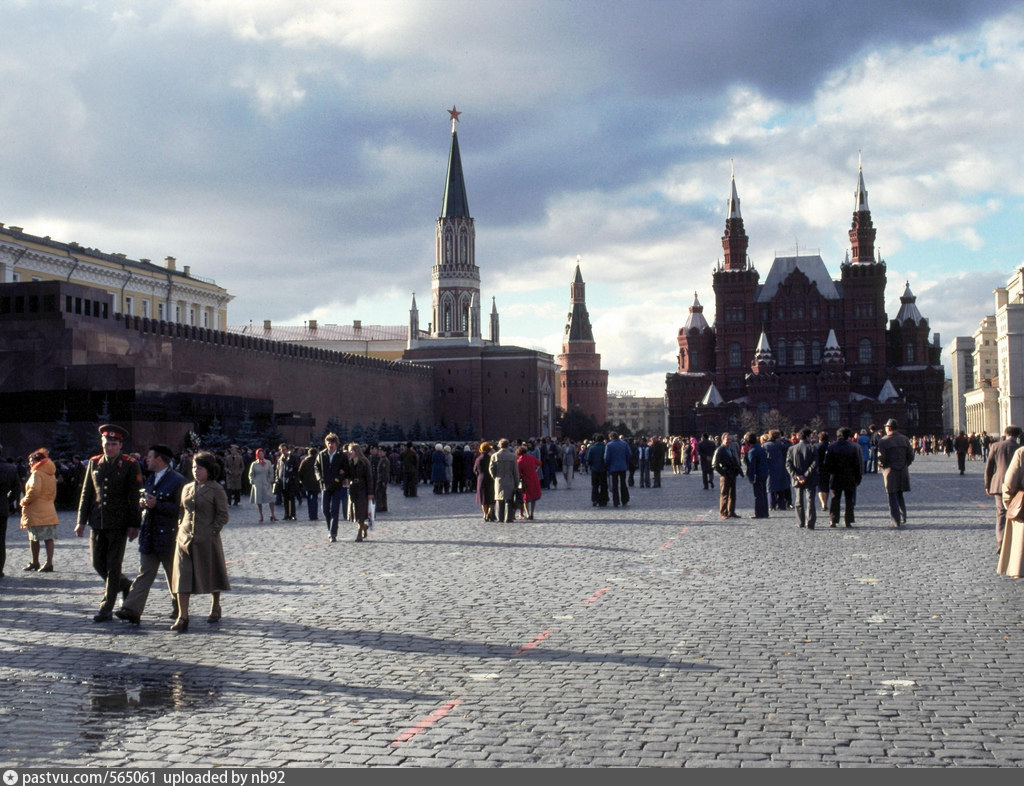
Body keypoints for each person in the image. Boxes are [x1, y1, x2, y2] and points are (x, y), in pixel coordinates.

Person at [75, 424, 142, 623]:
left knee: (113, 566)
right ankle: (125, 585)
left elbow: (134, 496)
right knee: (97, 563)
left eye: (113, 444)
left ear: (120, 445)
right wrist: (81, 521)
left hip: (119, 523)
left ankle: (106, 607)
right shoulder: (94, 463)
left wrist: (134, 524)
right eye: (106, 444)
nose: (109, 448)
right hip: (98, 521)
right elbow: (87, 493)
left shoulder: (130, 464)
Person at [116, 444, 186, 625]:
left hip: (169, 536)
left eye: (150, 456)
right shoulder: (149, 478)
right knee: (145, 572)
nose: (146, 459)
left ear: (160, 459)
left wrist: (158, 505)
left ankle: (180, 608)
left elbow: (181, 509)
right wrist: (142, 504)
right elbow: (145, 501)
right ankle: (131, 609)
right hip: (149, 534)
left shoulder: (177, 480)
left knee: (173, 575)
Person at [170, 451, 230, 632]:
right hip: (184, 539)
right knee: (182, 576)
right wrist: (181, 528)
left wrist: (212, 531)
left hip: (207, 540)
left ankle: (215, 605)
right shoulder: (187, 488)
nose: (196, 471)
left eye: (200, 468)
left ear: (209, 470)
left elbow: (223, 514)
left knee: (212, 573)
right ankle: (183, 616)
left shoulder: (216, 489)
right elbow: (182, 510)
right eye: (194, 467)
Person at [20, 448, 60, 572]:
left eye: (32, 461)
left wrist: (24, 501)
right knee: (49, 538)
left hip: (36, 510)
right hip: (49, 508)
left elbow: (34, 490)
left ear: (39, 461)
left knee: (33, 538)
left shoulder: (37, 473)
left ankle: (35, 562)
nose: (30, 463)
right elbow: (53, 492)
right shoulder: (51, 473)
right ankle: (49, 562)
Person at [985, 425, 1022, 553]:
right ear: (1017, 435)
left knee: (1001, 513)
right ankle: (1013, 541)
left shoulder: (995, 446)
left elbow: (989, 468)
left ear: (1005, 433)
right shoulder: (1019, 448)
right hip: (1017, 485)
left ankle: (1000, 540)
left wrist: (987, 485)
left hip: (999, 484)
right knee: (1016, 513)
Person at [876, 418, 914, 529]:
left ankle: (895, 520)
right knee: (900, 494)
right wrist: (905, 465)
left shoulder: (883, 441)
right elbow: (911, 455)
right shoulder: (904, 439)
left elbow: (880, 457)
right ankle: (903, 517)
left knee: (892, 495)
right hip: (902, 470)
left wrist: (882, 466)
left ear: (889, 428)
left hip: (890, 472)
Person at [823, 427, 862, 528]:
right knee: (849, 499)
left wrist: (829, 476)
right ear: (848, 436)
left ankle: (833, 520)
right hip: (849, 477)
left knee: (835, 498)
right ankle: (848, 521)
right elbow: (857, 465)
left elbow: (827, 464)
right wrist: (858, 478)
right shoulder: (853, 447)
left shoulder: (831, 447)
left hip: (836, 477)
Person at [316, 433, 350, 543]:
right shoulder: (322, 454)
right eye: (328, 443)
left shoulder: (341, 456)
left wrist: (339, 477)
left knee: (334, 510)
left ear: (336, 444)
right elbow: (316, 467)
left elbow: (346, 470)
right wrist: (319, 477)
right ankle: (330, 527)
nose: (330, 445)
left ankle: (333, 533)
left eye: (333, 443)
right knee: (325, 509)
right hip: (325, 486)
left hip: (336, 486)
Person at [785, 429, 819, 530]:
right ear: (808, 436)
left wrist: (796, 476)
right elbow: (814, 464)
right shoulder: (812, 448)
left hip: (797, 479)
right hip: (810, 478)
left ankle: (800, 522)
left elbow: (788, 464)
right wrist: (805, 475)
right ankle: (810, 523)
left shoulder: (791, 449)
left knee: (798, 501)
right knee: (810, 501)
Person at [346, 443, 374, 542]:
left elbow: (369, 478)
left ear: (356, 451)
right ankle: (364, 527)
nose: (350, 452)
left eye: (351, 450)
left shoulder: (364, 462)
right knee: (355, 511)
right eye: (349, 450)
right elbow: (347, 475)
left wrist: (370, 492)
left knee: (361, 511)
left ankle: (359, 534)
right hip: (353, 488)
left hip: (363, 488)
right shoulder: (349, 462)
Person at [712, 432, 742, 519]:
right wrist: (723, 473)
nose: (729, 441)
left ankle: (731, 512)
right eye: (727, 439)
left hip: (732, 474)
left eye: (730, 439)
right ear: (722, 440)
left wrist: (737, 470)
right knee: (724, 494)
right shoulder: (720, 450)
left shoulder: (731, 449)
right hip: (725, 475)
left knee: (732, 494)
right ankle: (723, 513)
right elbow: (715, 465)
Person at [0, 448, 20, 578]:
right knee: (1, 541)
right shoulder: (10, 468)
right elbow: (17, 488)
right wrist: (7, 501)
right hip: (2, 507)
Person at [489, 439, 520, 523]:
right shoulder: (513, 456)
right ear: (507, 445)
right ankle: (508, 517)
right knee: (509, 499)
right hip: (510, 479)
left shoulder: (494, 456)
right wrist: (517, 482)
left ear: (499, 445)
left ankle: (500, 517)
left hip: (499, 479)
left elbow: (491, 469)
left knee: (499, 499)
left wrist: (495, 477)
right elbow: (516, 471)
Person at [743, 433, 769, 519]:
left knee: (758, 495)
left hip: (757, 475)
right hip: (764, 473)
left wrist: (751, 477)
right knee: (764, 494)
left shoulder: (752, 451)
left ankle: (758, 513)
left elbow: (752, 466)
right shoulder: (761, 449)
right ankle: (765, 512)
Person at [247, 448, 277, 522]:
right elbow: (251, 474)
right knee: (259, 500)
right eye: (259, 454)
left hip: (267, 483)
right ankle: (261, 515)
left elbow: (271, 472)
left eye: (262, 453)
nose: (261, 455)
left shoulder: (268, 462)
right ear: (257, 455)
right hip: (258, 484)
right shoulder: (254, 464)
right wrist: (253, 481)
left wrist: (270, 480)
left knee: (271, 499)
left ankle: (272, 514)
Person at [516, 445, 543, 520]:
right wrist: (535, 469)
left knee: (526, 498)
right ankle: (532, 513)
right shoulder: (531, 457)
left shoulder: (519, 461)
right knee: (534, 498)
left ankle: (527, 514)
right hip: (534, 479)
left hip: (526, 480)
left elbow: (518, 472)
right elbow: (540, 463)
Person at [604, 432, 631, 508]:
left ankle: (616, 501)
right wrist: (625, 461)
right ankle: (625, 500)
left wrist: (607, 465)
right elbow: (629, 454)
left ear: (611, 437)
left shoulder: (609, 445)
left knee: (615, 485)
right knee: (623, 483)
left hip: (613, 467)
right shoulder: (624, 444)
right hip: (623, 466)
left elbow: (606, 458)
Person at [275, 444, 300, 521]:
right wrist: (277, 479)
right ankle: (286, 514)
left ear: (287, 449)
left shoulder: (292, 458)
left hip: (291, 481)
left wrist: (293, 476)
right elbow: (277, 470)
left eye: (284, 449)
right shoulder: (280, 459)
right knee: (285, 499)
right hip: (282, 482)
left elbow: (297, 468)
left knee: (291, 498)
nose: (283, 451)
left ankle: (293, 515)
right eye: (282, 450)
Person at [475, 442, 496, 521]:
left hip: (481, 479)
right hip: (491, 479)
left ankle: (485, 514)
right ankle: (490, 512)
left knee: (483, 499)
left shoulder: (478, 459)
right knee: (491, 497)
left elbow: (475, 470)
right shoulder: (492, 458)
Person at [586, 433, 609, 508]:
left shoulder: (592, 448)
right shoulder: (605, 447)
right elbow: (607, 458)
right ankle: (603, 500)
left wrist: (591, 465)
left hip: (594, 469)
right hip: (603, 469)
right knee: (603, 485)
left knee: (595, 485)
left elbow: (588, 458)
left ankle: (595, 499)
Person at [298, 447, 320, 521]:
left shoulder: (304, 461)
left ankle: (310, 514)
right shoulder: (317, 461)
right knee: (314, 498)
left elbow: (300, 472)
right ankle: (314, 515)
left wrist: (302, 481)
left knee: (309, 499)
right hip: (316, 483)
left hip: (307, 483)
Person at [371, 445, 390, 514]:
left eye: (381, 452)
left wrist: (384, 481)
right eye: (379, 452)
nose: (380, 453)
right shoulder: (382, 459)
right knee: (382, 494)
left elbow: (385, 472)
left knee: (379, 494)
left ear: (385, 452)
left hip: (381, 480)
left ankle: (379, 507)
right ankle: (383, 507)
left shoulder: (384, 460)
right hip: (380, 479)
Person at [816, 431, 831, 511]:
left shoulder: (817, 446)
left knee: (820, 488)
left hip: (819, 468)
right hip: (828, 469)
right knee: (826, 487)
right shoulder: (830, 446)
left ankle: (823, 504)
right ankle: (825, 503)